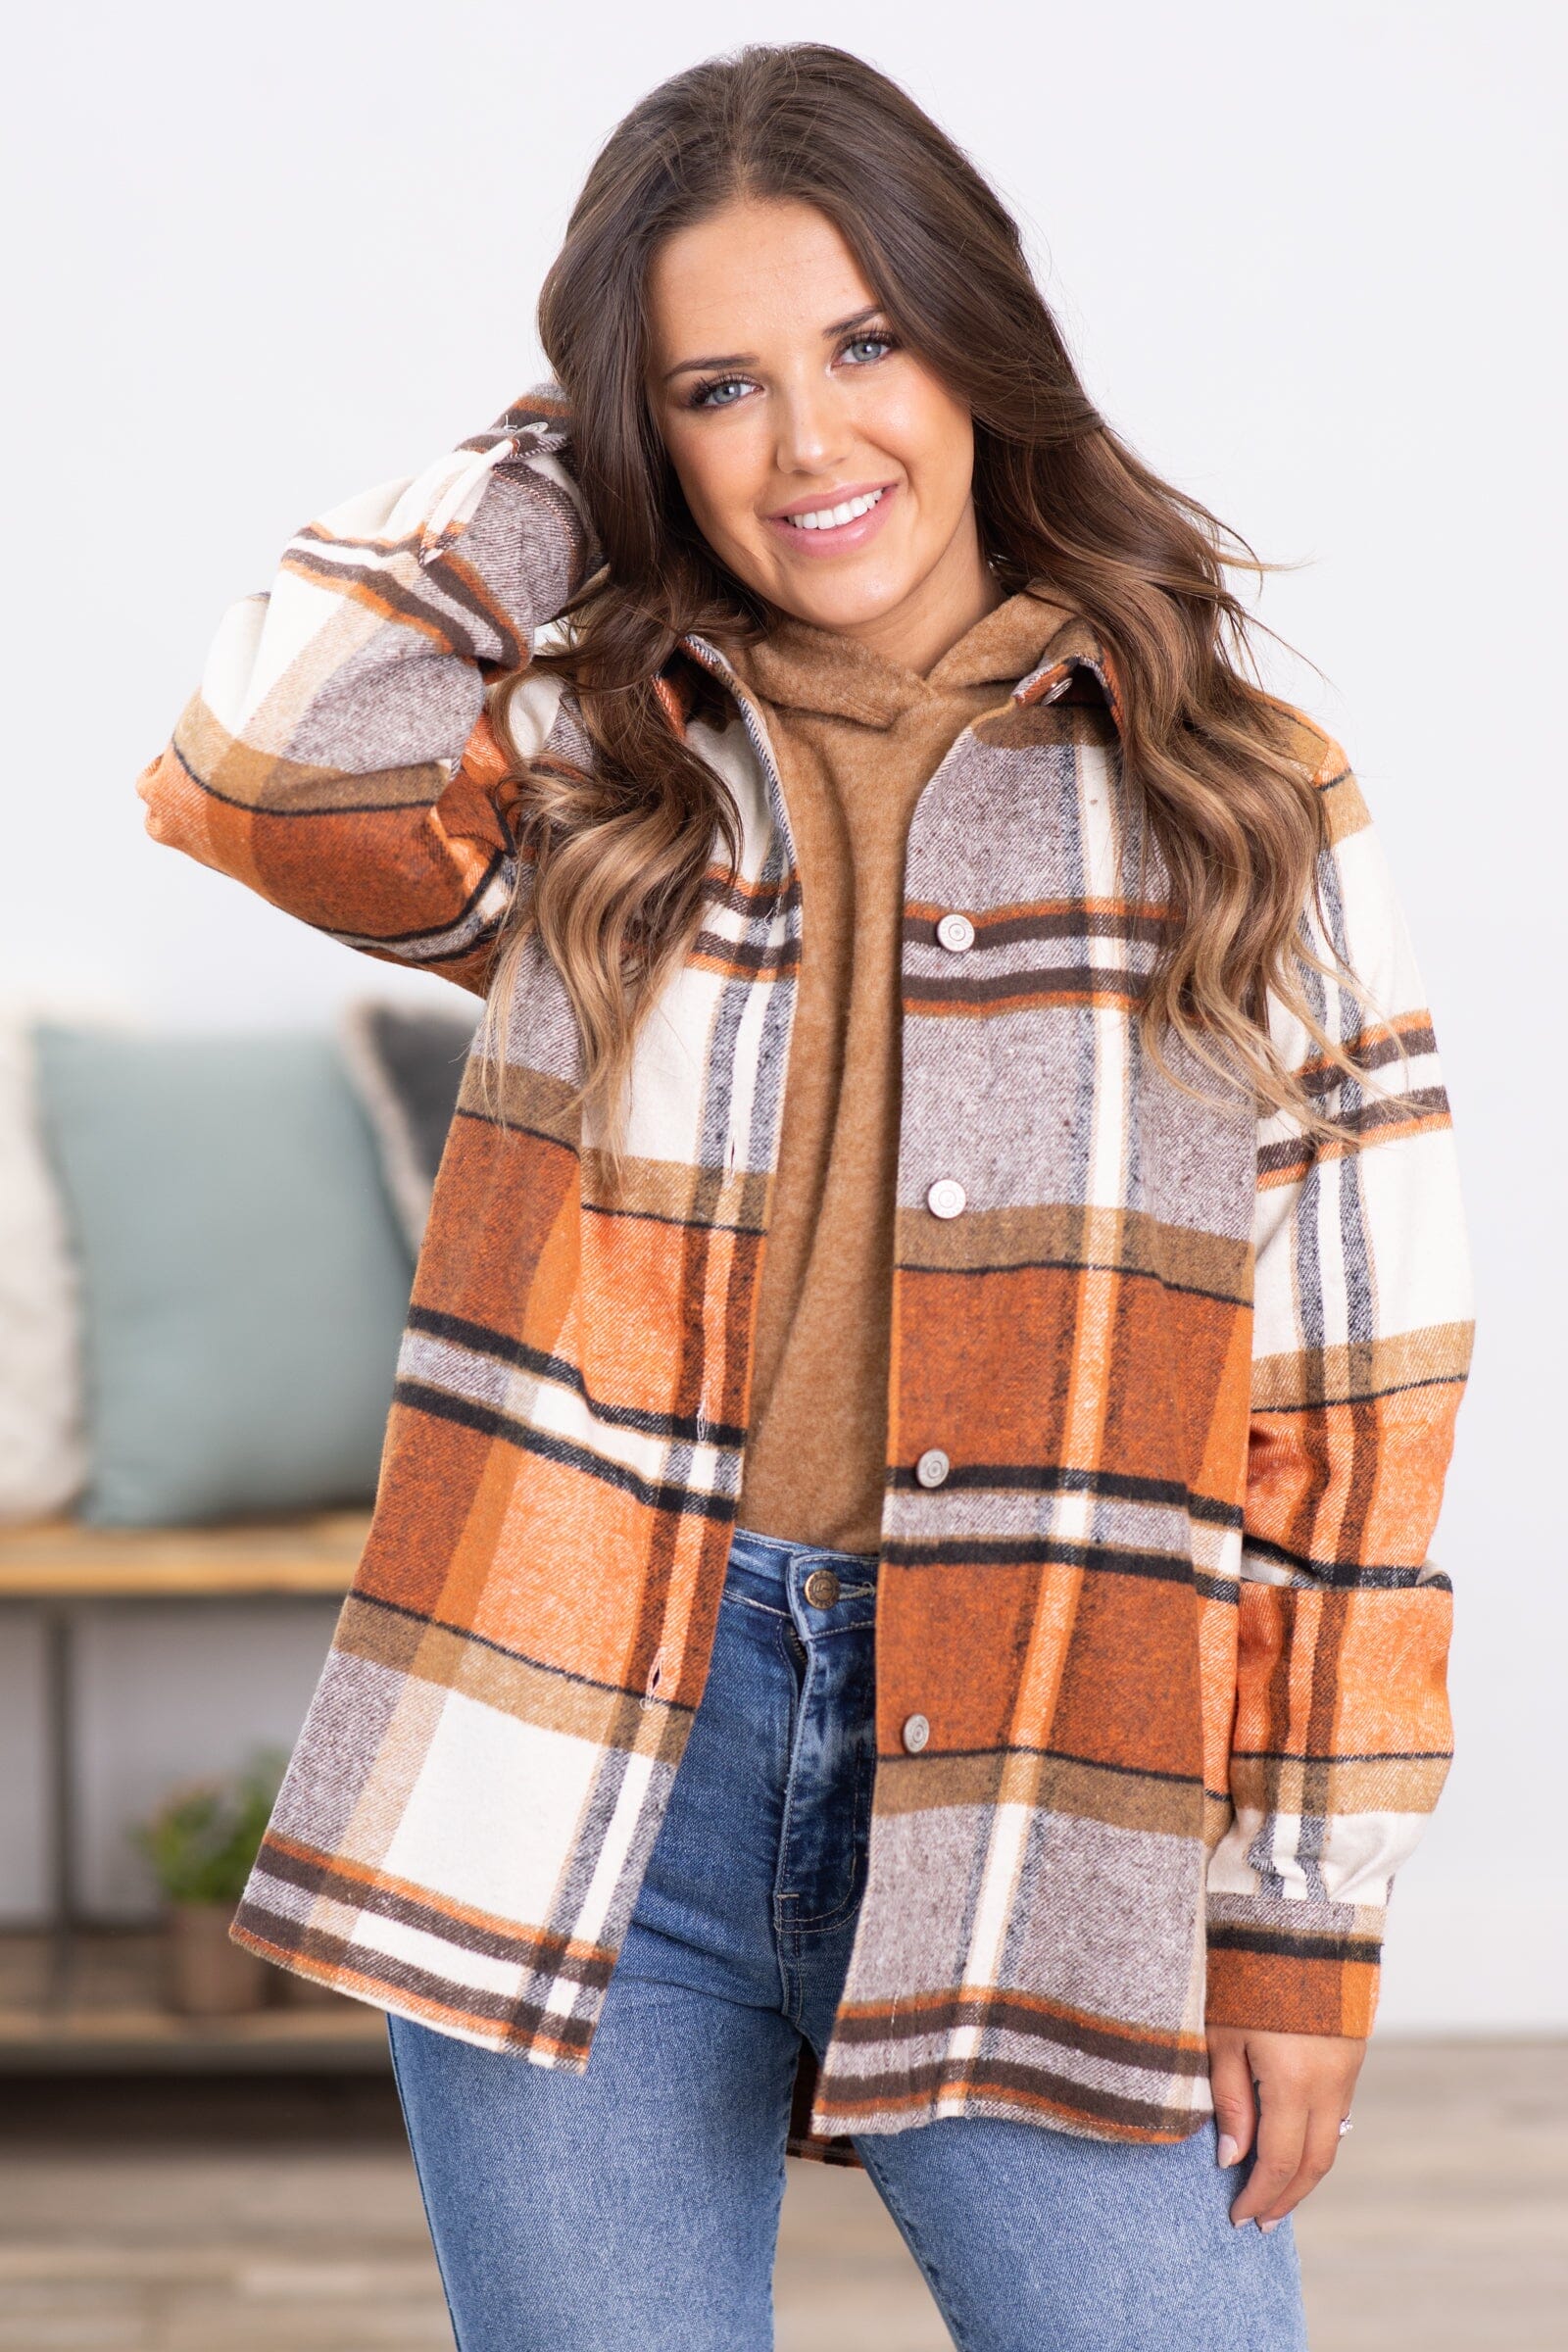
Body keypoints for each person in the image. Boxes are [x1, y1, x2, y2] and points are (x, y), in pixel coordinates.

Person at [137, 42, 1474, 2352]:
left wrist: (1296, 1918)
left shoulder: (1236, 798)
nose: (807, 443)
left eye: (863, 343)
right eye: (716, 388)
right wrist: (568, 445)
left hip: (1046, 1746)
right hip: (580, 1730)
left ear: (973, 340)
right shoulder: (592, 755)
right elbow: (261, 763)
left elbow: (1355, 1403)